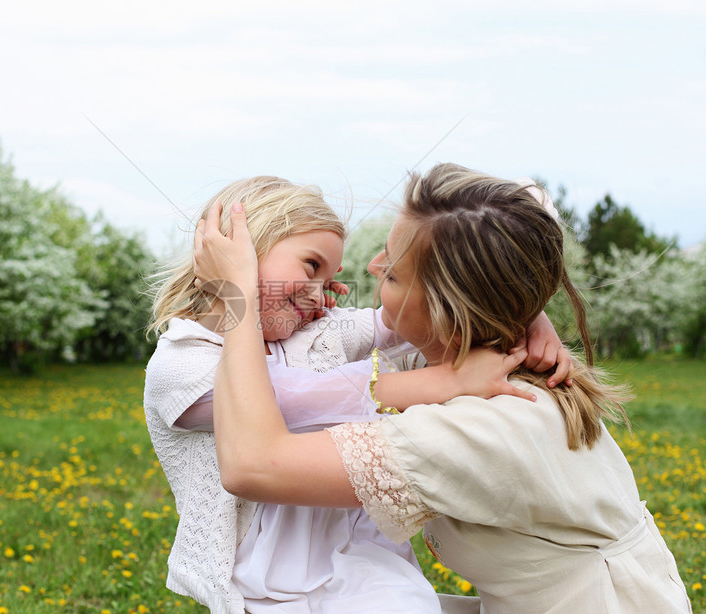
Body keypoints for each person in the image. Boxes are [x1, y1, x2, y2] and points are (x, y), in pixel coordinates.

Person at [194, 163, 693, 614]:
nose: (370, 270)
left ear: (444, 313)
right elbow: (524, 202)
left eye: (390, 273)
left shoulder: (487, 422)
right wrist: (525, 307)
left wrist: (236, 293)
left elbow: (253, 464)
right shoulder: (458, 359)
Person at [144, 175, 571, 614]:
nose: (320, 296)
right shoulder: (181, 362)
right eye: (311, 267)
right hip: (265, 585)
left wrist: (530, 314)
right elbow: (286, 397)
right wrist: (446, 382)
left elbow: (418, 310)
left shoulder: (317, 332)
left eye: (329, 282)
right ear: (240, 251)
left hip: (366, 565)